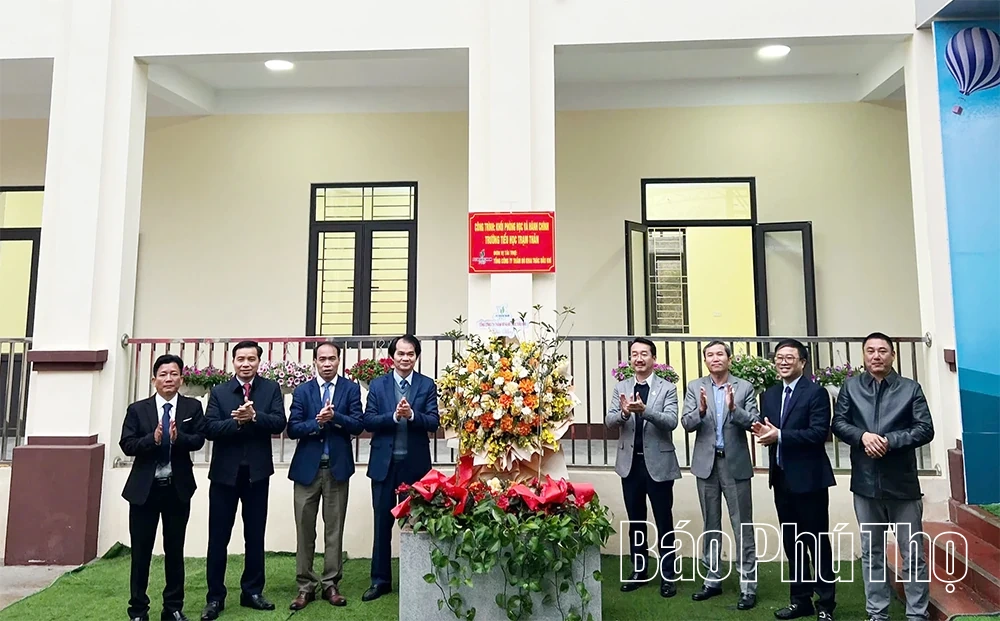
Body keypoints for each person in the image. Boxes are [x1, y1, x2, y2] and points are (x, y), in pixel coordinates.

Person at [832, 332, 934, 621]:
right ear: (864, 355)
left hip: (902, 483)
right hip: (865, 484)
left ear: (893, 355)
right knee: (872, 552)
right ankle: (877, 613)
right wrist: (863, 436)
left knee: (912, 553)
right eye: (870, 351)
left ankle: (917, 614)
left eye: (882, 351)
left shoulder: (910, 389)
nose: (876, 356)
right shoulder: (851, 387)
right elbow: (838, 423)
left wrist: (889, 441)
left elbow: (925, 429)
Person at [201, 341, 287, 620]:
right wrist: (237, 422)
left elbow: (279, 422)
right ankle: (215, 597)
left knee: (255, 535)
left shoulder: (271, 389)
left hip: (257, 474)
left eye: (251, 359)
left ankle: (252, 591)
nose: (246, 363)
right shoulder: (219, 391)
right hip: (224, 475)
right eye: (241, 359)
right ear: (233, 361)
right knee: (218, 538)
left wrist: (255, 416)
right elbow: (209, 428)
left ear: (259, 361)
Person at [753, 339, 836, 620]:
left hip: (810, 480)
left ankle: (826, 604)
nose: (783, 362)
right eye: (779, 357)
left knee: (816, 542)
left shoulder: (816, 393)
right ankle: (800, 600)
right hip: (781, 479)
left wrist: (780, 436)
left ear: (802, 362)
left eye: (790, 357)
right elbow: (769, 428)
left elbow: (818, 433)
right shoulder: (770, 394)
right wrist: (762, 431)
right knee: (793, 543)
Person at [120, 354, 206, 621]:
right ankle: (138, 610)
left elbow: (199, 440)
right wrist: (152, 439)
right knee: (141, 552)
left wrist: (178, 438)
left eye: (174, 374)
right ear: (154, 379)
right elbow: (127, 444)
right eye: (163, 374)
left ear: (181, 378)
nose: (169, 379)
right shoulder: (138, 409)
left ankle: (173, 607)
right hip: (144, 491)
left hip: (176, 489)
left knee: (175, 550)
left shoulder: (192, 407)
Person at [681, 340, 760, 610]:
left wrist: (734, 409)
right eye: (710, 355)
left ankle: (748, 585)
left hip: (735, 464)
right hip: (706, 465)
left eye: (720, 354)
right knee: (710, 523)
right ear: (705, 360)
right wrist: (701, 410)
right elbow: (686, 423)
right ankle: (712, 579)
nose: (715, 358)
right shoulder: (695, 387)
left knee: (742, 524)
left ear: (729, 359)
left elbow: (754, 422)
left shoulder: (744, 387)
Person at [361, 334, 440, 602]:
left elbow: (433, 421)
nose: (405, 358)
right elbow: (368, 421)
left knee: (416, 524)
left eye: (410, 354)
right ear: (392, 357)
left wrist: (413, 415)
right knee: (382, 524)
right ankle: (380, 581)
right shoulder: (378, 385)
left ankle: (416, 579)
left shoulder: (426, 384)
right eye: (401, 354)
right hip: (384, 466)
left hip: (415, 468)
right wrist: (394, 416)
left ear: (416, 357)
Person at [286, 341, 364, 610]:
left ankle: (331, 583)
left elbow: (358, 424)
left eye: (332, 358)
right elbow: (293, 428)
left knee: (334, 529)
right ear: (315, 362)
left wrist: (336, 417)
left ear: (339, 360)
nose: (327, 363)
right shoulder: (303, 390)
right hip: (306, 471)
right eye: (322, 359)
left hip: (337, 470)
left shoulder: (350, 389)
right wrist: (317, 422)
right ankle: (305, 586)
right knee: (304, 530)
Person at [605, 337, 681, 598]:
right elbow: (609, 421)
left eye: (644, 354)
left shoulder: (667, 388)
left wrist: (645, 411)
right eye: (634, 354)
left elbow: (671, 421)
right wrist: (625, 413)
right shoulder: (622, 387)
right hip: (630, 465)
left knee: (664, 520)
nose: (638, 358)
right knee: (636, 520)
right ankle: (639, 571)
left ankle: (668, 575)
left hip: (658, 464)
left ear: (653, 359)